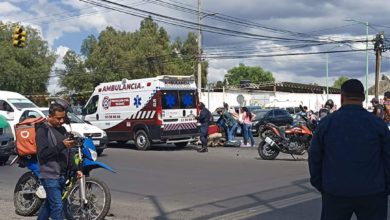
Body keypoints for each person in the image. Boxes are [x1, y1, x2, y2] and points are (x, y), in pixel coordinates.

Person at [309, 79, 390, 220]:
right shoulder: (378, 124)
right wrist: (385, 186)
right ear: (363, 97)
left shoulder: (326, 124)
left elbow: (314, 157)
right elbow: (388, 158)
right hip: (373, 192)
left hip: (335, 191)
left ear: (341, 97)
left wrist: (322, 184)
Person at [36, 102, 75, 220]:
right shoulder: (42, 131)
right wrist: (62, 145)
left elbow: (68, 152)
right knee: (57, 206)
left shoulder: (62, 129)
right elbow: (42, 154)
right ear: (50, 116)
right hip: (49, 175)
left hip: (62, 175)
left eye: (63, 117)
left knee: (49, 205)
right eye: (58, 118)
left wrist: (76, 169)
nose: (61, 121)